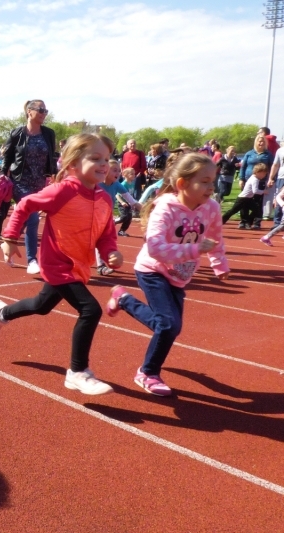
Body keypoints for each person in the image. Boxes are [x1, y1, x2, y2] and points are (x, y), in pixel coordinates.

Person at [0, 133, 122, 395]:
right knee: (90, 310)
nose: (104, 164)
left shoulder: (105, 199)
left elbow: (106, 235)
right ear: (73, 164)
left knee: (42, 305)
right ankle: (77, 372)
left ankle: (2, 313)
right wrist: (10, 237)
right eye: (95, 158)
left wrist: (110, 253)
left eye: (106, 159)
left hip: (79, 265)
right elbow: (25, 204)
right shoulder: (62, 191)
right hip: (58, 263)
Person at [107, 153, 229, 396]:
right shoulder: (165, 207)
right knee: (168, 325)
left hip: (180, 274)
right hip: (152, 269)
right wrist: (195, 249)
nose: (211, 187)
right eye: (204, 182)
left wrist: (219, 262)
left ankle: (124, 299)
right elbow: (155, 248)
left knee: (170, 326)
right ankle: (148, 372)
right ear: (182, 183)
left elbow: (215, 237)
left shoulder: (211, 208)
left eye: (213, 181)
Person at [0, 99, 57, 275]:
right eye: (41, 110)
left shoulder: (49, 133)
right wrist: (2, 173)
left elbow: (52, 156)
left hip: (39, 183)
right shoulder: (17, 133)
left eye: (46, 111)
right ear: (29, 111)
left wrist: (54, 174)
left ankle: (8, 243)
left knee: (24, 218)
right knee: (33, 218)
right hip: (20, 182)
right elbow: (8, 156)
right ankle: (32, 260)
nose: (44, 113)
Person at [239, 135, 273, 229]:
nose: (261, 143)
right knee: (244, 202)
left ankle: (256, 222)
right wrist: (241, 179)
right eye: (259, 141)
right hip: (248, 181)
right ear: (256, 142)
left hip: (261, 181)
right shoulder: (249, 153)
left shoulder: (268, 154)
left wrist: (270, 179)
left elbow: (272, 167)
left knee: (258, 204)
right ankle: (244, 221)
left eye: (263, 141)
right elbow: (243, 167)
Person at [222, 163, 266, 229]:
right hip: (242, 198)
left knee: (257, 210)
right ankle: (221, 221)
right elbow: (255, 191)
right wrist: (263, 191)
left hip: (248, 198)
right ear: (258, 172)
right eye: (264, 173)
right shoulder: (255, 179)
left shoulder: (253, 177)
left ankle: (247, 222)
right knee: (233, 210)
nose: (264, 175)